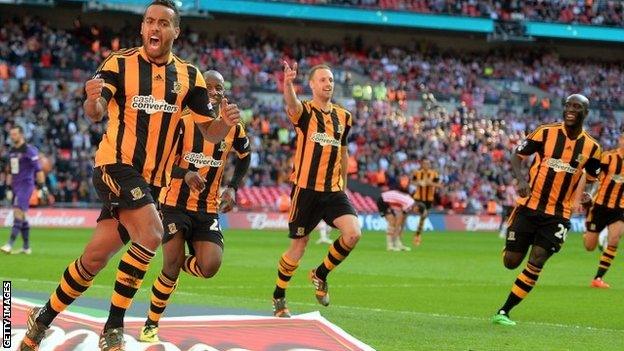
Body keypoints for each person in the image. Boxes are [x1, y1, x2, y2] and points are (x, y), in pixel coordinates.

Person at [18, 2, 240, 350]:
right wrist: (92, 101)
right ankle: (113, 328)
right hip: (115, 166)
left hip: (152, 182)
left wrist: (224, 123)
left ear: (175, 31)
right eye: (149, 21)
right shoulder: (119, 63)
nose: (155, 27)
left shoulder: (191, 77)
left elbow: (209, 133)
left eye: (163, 23)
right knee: (152, 233)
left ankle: (41, 318)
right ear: (142, 28)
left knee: (93, 259)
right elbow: (95, 112)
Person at [138, 70, 250, 342]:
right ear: (200, 91)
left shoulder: (233, 125)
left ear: (224, 91)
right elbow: (159, 160)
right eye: (208, 86)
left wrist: (232, 187)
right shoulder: (182, 120)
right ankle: (151, 323)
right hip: (174, 203)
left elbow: (245, 156)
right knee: (170, 268)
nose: (213, 91)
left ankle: (175, 262)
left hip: (208, 208)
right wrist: (185, 173)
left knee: (209, 266)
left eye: (218, 87)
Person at [491, 94, 602, 326]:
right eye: (568, 105)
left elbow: (592, 178)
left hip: (558, 215)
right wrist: (521, 180)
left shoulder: (592, 147)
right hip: (529, 207)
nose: (571, 110)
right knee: (511, 261)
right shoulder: (545, 132)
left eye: (577, 107)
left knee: (537, 260)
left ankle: (504, 311)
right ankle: (512, 246)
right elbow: (516, 156)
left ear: (586, 113)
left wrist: (589, 194)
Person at [271, 61, 361, 317]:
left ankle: (320, 274)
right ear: (312, 84)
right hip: (306, 190)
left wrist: (343, 183)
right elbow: (292, 105)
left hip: (333, 191)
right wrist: (288, 84)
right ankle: (279, 294)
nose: (328, 83)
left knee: (353, 234)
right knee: (299, 246)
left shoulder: (344, 117)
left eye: (331, 80)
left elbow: (343, 152)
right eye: (322, 79)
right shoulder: (306, 112)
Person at [582, 134, 624, 289]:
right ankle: (587, 233)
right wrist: (585, 194)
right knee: (589, 246)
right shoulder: (609, 158)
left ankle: (598, 278)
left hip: (619, 208)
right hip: (599, 206)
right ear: (620, 140)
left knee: (614, 240)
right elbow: (592, 174)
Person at [1, 126, 49, 255]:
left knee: (17, 212)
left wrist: (42, 186)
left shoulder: (30, 150)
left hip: (26, 185)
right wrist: (9, 188)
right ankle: (26, 247)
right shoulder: (11, 151)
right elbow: (11, 170)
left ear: (21, 135)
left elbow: (38, 170)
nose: (12, 136)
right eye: (11, 134)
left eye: (15, 134)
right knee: (22, 215)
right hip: (16, 186)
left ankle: (9, 244)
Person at [411, 159, 440, 246]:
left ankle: (418, 234)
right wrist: (419, 183)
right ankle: (417, 235)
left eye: (428, 163)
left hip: (429, 199)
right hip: (419, 198)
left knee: (423, 217)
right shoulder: (417, 173)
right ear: (422, 165)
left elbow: (438, 185)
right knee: (423, 213)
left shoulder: (434, 173)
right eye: (425, 164)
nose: (426, 165)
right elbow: (412, 182)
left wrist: (430, 183)